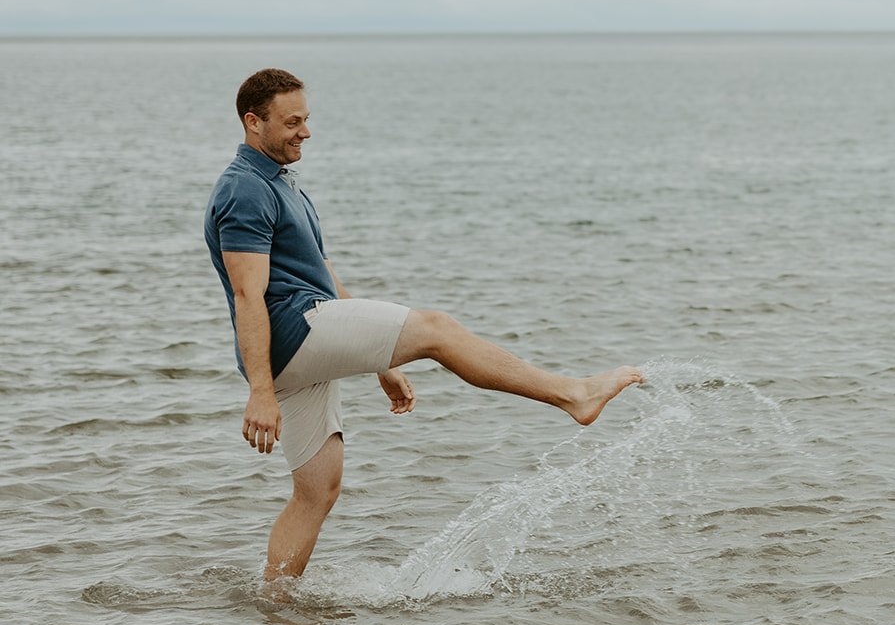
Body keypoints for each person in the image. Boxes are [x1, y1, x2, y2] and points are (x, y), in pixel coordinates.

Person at [204, 68, 644, 583]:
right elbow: (247, 294)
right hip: (294, 335)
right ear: (253, 123)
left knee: (316, 491)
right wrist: (260, 390)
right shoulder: (245, 191)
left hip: (301, 341)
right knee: (436, 329)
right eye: (292, 122)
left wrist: (380, 362)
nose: (305, 132)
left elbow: (321, 274)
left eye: (307, 119)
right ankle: (573, 394)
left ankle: (275, 610)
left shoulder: (279, 181)